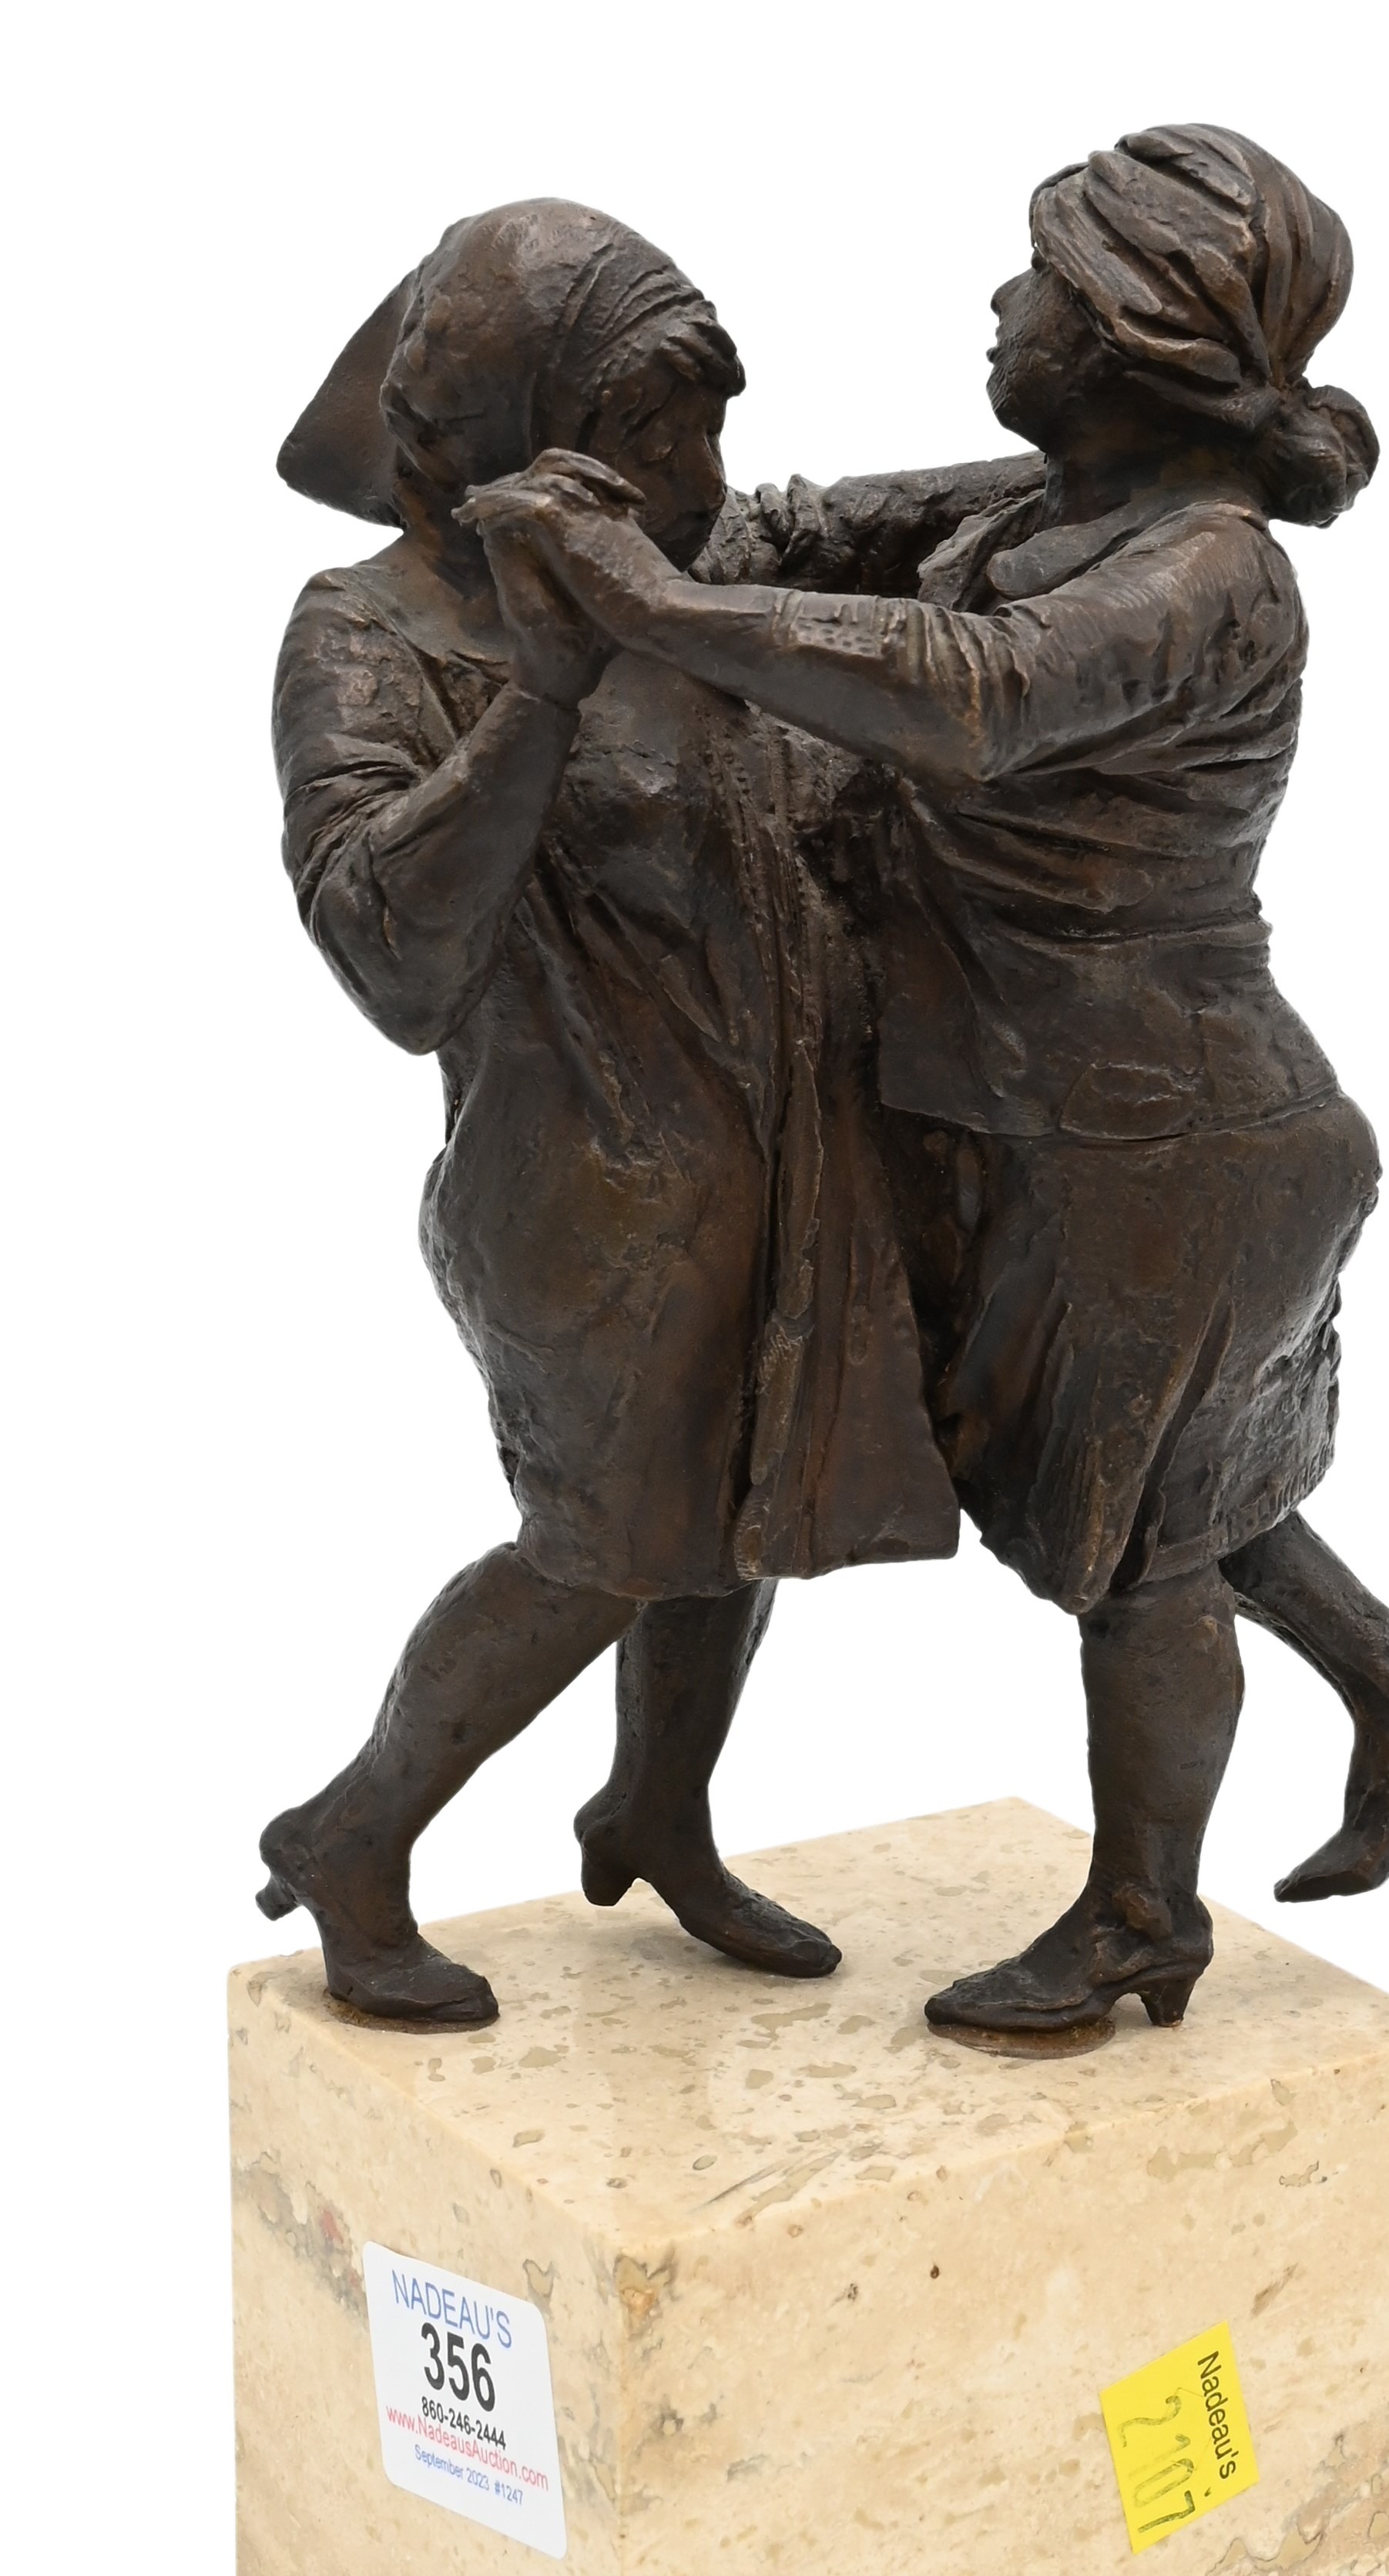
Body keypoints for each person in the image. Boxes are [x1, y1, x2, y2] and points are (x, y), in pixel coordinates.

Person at [454, 125, 1389, 2035]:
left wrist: (648, 607)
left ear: (1127, 339)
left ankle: (1140, 1921)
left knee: (1137, 1555)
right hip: (1024, 1116)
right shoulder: (1050, 501)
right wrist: (578, 529)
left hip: (1162, 1138)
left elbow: (971, 693)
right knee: (1127, 1481)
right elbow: (799, 538)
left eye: (1035, 280)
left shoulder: (1206, 572)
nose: (999, 304)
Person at [263, 198, 1045, 2024]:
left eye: (710, 428)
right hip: (588, 1189)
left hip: (783, 1147)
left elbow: (936, 508)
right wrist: (541, 687)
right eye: (655, 440)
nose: (703, 481)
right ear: (520, 436)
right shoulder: (368, 636)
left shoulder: (696, 550)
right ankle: (353, 1829)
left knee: (736, 1503)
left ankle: (656, 1809)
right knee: (599, 1542)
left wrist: (1157, 456)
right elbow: (388, 954)